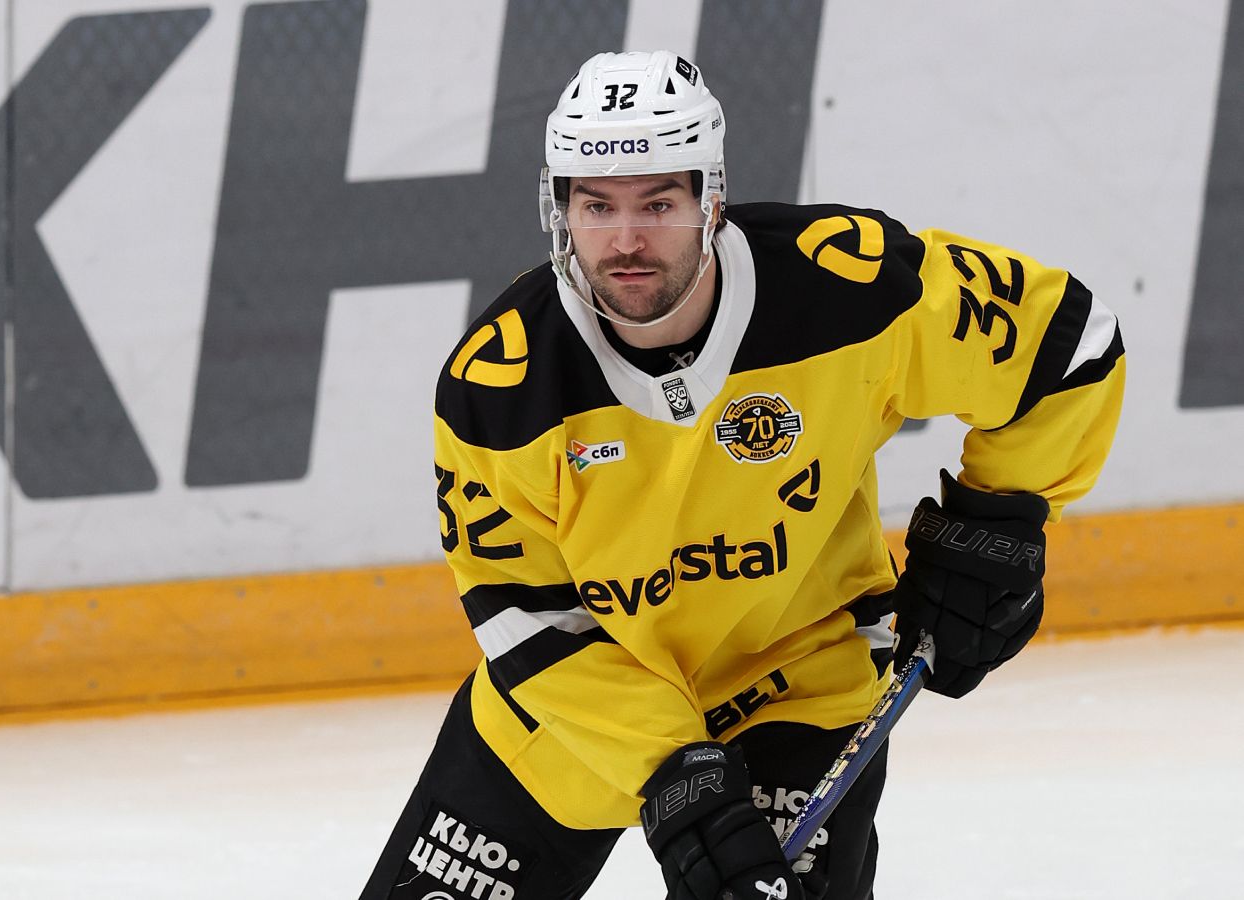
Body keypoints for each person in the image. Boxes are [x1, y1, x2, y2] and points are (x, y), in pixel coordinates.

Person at [361, 50, 1124, 900]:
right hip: (574, 720)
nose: (625, 241)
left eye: (659, 204)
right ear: (559, 208)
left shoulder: (846, 287)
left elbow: (1070, 345)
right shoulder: (500, 385)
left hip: (796, 682)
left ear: (712, 197)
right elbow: (529, 615)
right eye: (597, 206)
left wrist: (995, 520)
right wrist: (671, 770)